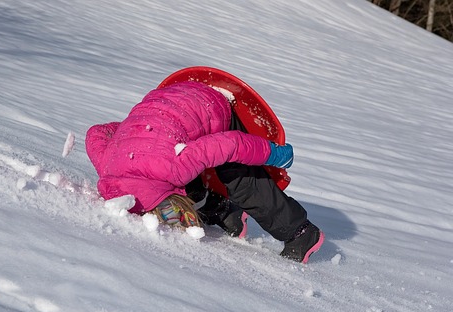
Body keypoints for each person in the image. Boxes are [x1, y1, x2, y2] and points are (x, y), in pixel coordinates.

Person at [85, 81, 324, 263]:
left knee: (239, 179)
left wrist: (274, 154)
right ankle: (221, 210)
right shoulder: (106, 163)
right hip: (167, 96)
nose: (172, 218)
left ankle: (300, 232)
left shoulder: (174, 168)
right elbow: (95, 132)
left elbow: (232, 144)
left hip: (211, 102)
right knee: (191, 163)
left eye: (167, 212)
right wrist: (129, 131)